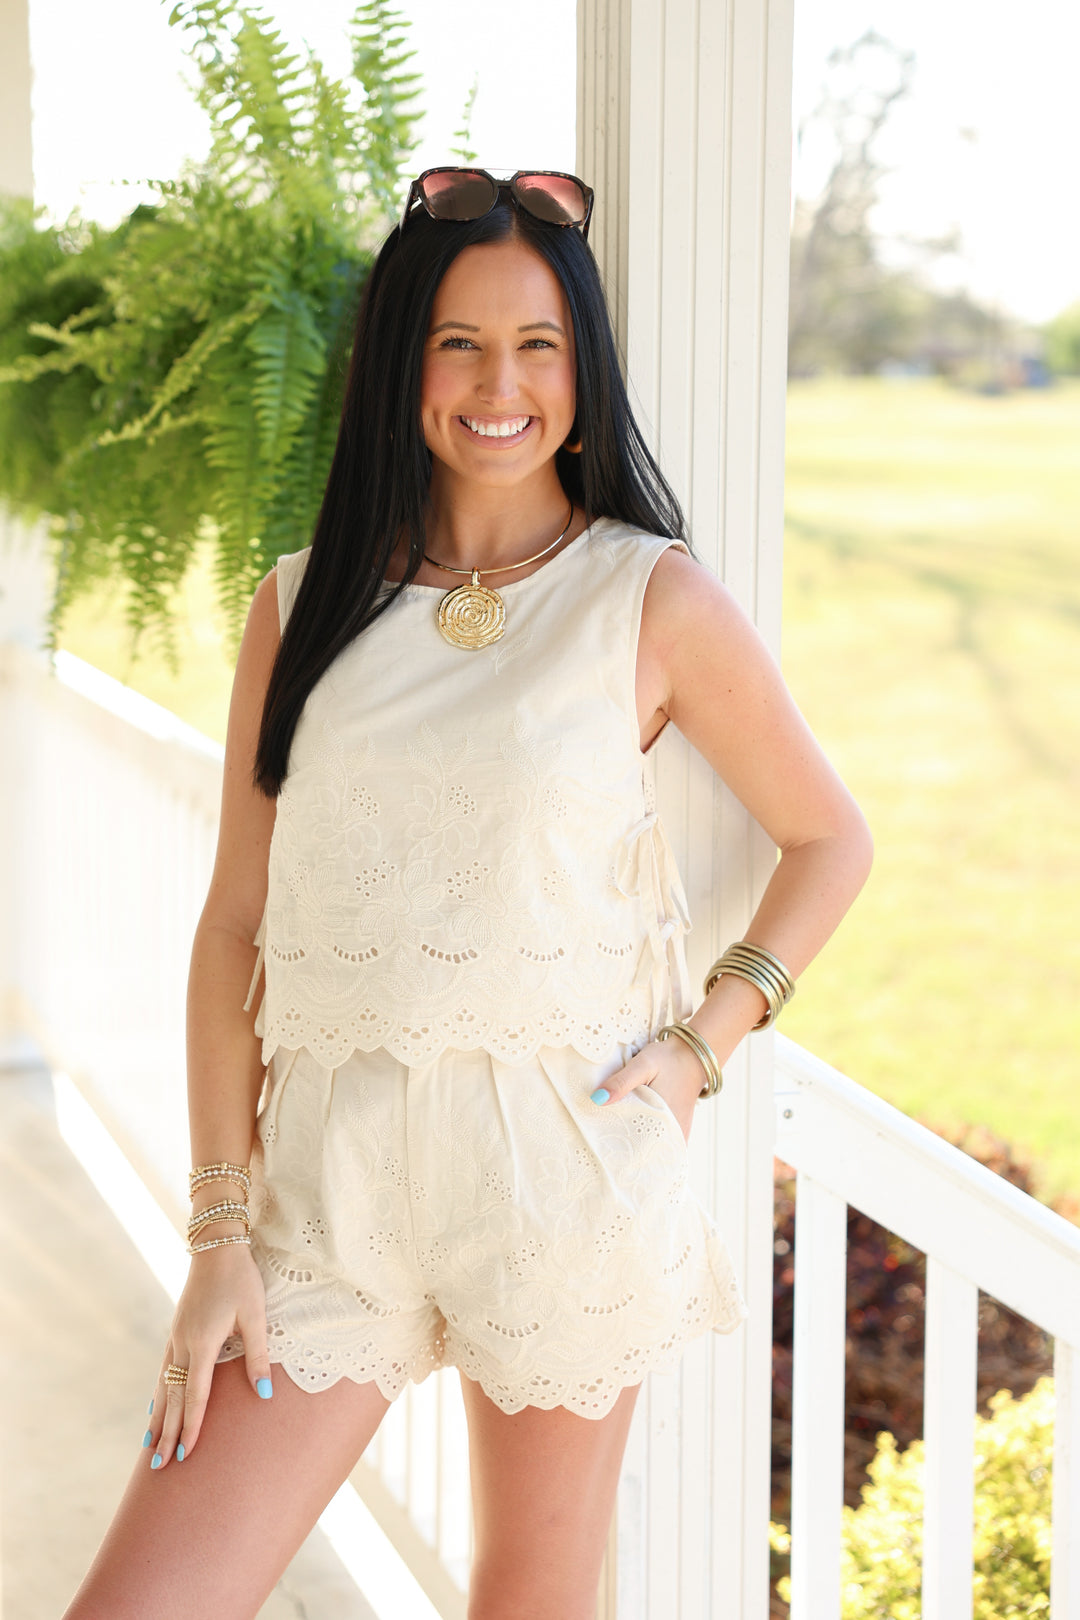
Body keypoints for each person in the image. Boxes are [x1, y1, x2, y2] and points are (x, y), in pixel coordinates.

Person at [63, 167, 873, 1620]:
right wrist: (219, 1234)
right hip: (327, 1194)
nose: (502, 386)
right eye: (460, 343)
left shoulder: (649, 597)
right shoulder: (302, 602)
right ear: (402, 364)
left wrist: (704, 1046)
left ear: (582, 366)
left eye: (537, 344)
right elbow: (236, 924)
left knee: (530, 1596)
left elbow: (829, 838)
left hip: (564, 1174)